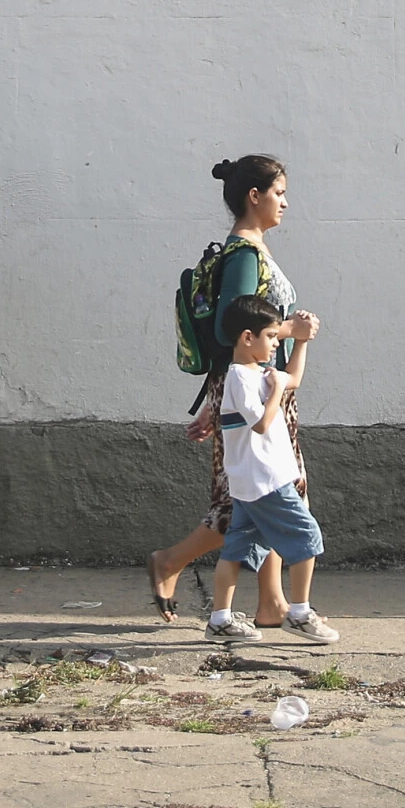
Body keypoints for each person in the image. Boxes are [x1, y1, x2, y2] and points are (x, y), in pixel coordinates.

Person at [149, 155, 319, 625]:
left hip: (260, 389)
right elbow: (233, 332)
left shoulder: (253, 249)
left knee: (267, 493)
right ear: (254, 196)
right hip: (253, 393)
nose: (285, 202)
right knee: (251, 499)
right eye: (279, 193)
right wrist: (292, 331)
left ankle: (270, 602)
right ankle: (171, 561)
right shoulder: (244, 253)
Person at [205, 295, 339, 644]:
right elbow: (261, 424)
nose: (275, 344)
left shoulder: (257, 372)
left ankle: (219, 620)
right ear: (247, 338)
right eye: (271, 337)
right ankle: (299, 612)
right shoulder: (240, 378)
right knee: (307, 536)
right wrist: (276, 390)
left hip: (252, 483)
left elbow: (292, 377)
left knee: (236, 548)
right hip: (266, 481)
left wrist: (301, 342)